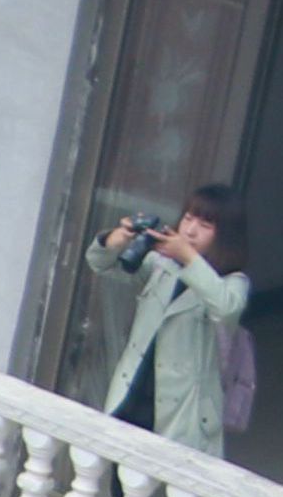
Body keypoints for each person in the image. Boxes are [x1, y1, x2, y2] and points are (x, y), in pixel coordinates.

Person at [90, 184, 252, 456]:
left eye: (205, 224)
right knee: (121, 486)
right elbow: (101, 265)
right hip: (132, 393)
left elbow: (226, 307)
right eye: (188, 218)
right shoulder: (162, 265)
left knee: (163, 495)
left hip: (182, 413)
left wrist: (187, 256)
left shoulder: (232, 282)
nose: (190, 230)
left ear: (226, 235)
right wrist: (114, 241)